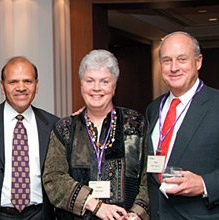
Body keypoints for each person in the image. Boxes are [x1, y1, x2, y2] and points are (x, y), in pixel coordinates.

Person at [146, 31, 219, 219]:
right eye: (167, 61)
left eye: (182, 59)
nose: (174, 67)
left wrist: (204, 184)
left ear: (198, 61)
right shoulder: (153, 109)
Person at [43, 49, 149, 220]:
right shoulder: (65, 128)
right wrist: (94, 204)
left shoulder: (136, 124)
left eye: (105, 81)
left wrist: (138, 213)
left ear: (114, 86)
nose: (96, 88)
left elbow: (149, 176)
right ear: (81, 85)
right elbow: (53, 178)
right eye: (90, 81)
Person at [0, 56, 59, 220]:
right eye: (13, 82)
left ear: (36, 85)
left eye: (27, 81)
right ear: (2, 86)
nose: (21, 87)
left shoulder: (54, 125)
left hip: (40, 214)